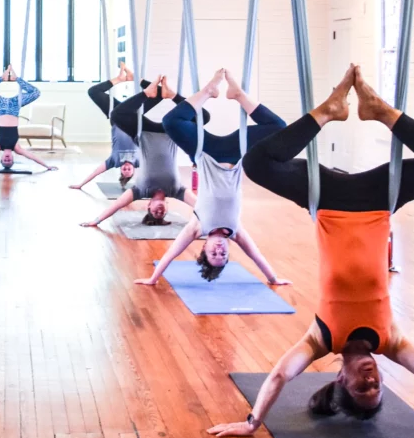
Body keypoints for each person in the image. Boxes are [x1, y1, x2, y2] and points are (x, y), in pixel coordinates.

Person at [207, 66, 414, 438]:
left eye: (361, 389)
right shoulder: (393, 341)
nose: (371, 381)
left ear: (341, 379)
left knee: (256, 163)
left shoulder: (321, 339)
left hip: (326, 200)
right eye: (377, 388)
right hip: (379, 200)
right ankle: (384, 113)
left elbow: (279, 376)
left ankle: (327, 111)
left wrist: (252, 422)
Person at [134, 68, 289, 286]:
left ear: (204, 248)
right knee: (279, 128)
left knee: (171, 122)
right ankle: (239, 95)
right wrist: (273, 278)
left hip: (203, 152)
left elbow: (171, 253)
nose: (219, 250)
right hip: (236, 152)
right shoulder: (236, 232)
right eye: (223, 256)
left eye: (214, 254)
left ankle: (208, 91)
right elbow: (257, 256)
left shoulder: (197, 228)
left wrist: (153, 279)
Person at [80, 75, 197, 227]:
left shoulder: (140, 191)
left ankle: (147, 93)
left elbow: (116, 205)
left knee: (116, 115)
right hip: (170, 131)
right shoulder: (177, 191)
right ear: (168, 208)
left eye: (155, 213)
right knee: (203, 117)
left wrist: (95, 221)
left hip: (144, 132)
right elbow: (203, 208)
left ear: (148, 206)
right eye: (163, 214)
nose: (160, 211)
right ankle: (171, 95)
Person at [70, 63, 140, 191]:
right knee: (157, 94)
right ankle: (136, 79)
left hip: (117, 116)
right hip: (134, 117)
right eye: (129, 170)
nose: (126, 167)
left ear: (120, 169)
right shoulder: (140, 161)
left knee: (93, 92)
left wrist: (80, 185)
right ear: (134, 170)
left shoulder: (114, 161)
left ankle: (120, 79)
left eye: (124, 170)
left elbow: (96, 172)